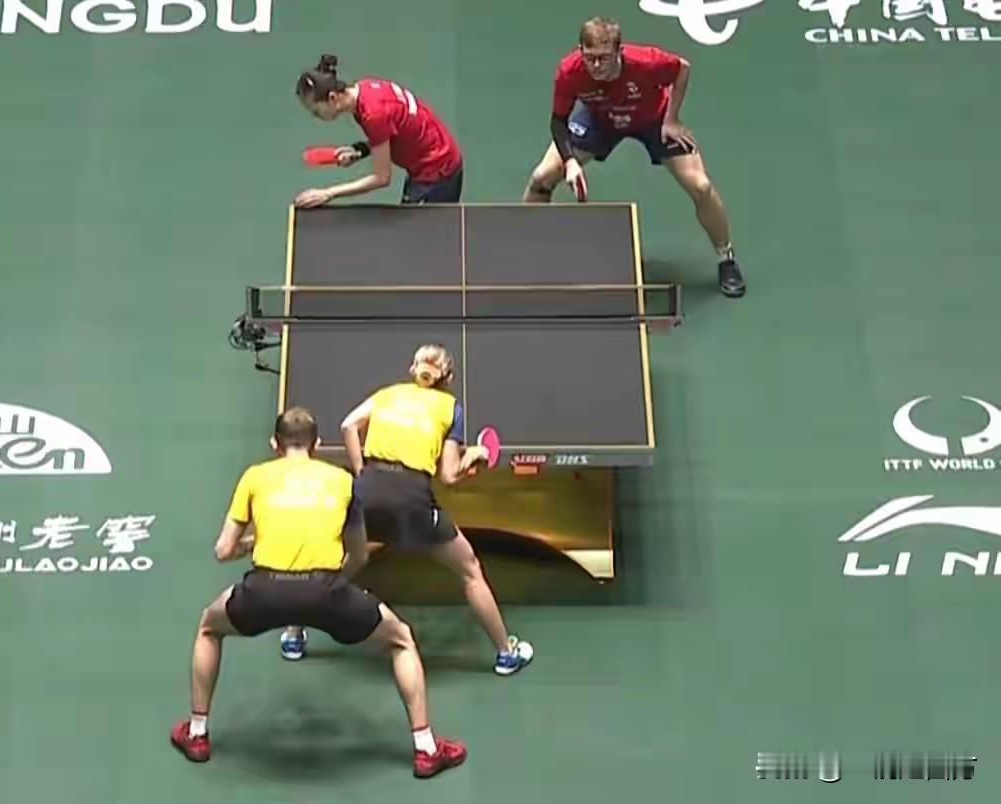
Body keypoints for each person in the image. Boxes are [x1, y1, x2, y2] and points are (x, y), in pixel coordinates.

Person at [169, 406, 467, 780]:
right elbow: (359, 555)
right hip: (328, 592)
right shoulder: (342, 480)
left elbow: (223, 551)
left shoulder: (254, 477)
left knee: (209, 627)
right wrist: (324, 584)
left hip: (264, 590)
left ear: (275, 444)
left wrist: (253, 542)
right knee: (402, 640)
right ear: (318, 444)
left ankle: (197, 734)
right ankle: (426, 749)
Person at [279, 345, 534, 677]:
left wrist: (362, 472)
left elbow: (348, 425)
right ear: (448, 377)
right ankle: (506, 653)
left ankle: (294, 634)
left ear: (413, 369)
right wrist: (475, 454)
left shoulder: (387, 394)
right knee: (470, 569)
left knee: (341, 560)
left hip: (367, 491)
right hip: (413, 500)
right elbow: (449, 476)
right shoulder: (451, 409)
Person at [522, 17, 747, 299]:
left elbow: (682, 69)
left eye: (603, 58)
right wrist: (569, 162)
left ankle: (726, 258)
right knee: (542, 177)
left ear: (619, 51)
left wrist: (672, 119)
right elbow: (558, 121)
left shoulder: (647, 62)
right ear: (580, 51)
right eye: (589, 57)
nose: (596, 65)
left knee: (701, 186)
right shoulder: (570, 70)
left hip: (653, 119)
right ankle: (529, 252)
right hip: (599, 119)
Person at [293, 54, 464, 208]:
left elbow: (381, 178)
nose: (316, 116)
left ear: (332, 98)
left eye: (316, 111)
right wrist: (360, 150)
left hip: (437, 171)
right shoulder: (365, 88)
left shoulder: (373, 114)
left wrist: (328, 193)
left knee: (421, 231)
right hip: (430, 156)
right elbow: (392, 129)